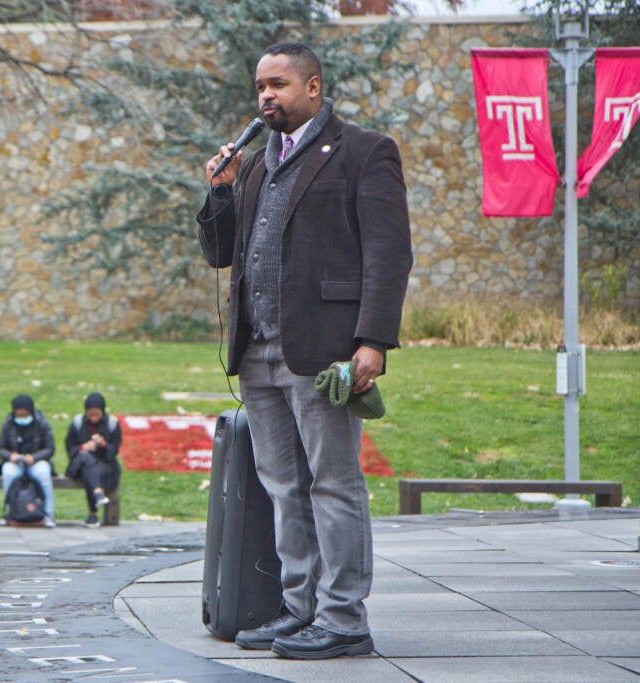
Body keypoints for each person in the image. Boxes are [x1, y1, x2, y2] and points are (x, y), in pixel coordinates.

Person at [196, 43, 412, 660]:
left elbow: (389, 253)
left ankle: (344, 619)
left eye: (279, 84)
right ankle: (300, 610)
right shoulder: (258, 163)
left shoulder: (364, 152)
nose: (266, 96)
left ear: (313, 88)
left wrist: (373, 341)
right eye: (260, 86)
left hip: (324, 353)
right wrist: (220, 194)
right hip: (258, 352)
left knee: (333, 485)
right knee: (283, 487)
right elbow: (222, 254)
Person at [0, 394, 56, 528]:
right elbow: (0, 448)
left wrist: (34, 457)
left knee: (43, 473)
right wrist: (10, 456)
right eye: (19, 415)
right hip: (16, 461)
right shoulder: (8, 424)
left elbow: (49, 449)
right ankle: (12, 511)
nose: (22, 418)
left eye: (24, 415)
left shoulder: (42, 424)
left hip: (36, 460)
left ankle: (48, 514)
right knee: (8, 472)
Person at [64, 392, 122, 528]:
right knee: (85, 458)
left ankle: (93, 513)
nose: (94, 417)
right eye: (91, 414)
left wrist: (103, 445)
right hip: (80, 464)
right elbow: (70, 450)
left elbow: (114, 452)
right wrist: (84, 447)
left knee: (90, 469)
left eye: (97, 414)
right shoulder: (78, 423)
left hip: (104, 465)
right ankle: (97, 494)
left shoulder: (111, 424)